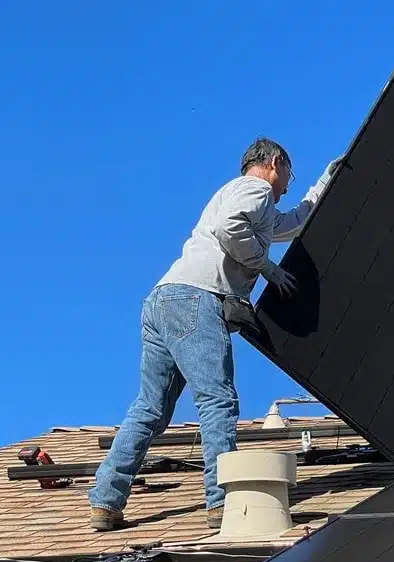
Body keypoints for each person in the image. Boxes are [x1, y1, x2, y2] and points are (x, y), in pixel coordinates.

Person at [89, 138, 342, 532]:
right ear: (275, 162)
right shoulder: (255, 189)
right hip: (196, 298)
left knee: (149, 409)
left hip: (163, 299)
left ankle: (106, 500)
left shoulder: (242, 197)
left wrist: (324, 183)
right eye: (290, 174)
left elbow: (291, 224)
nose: (290, 183)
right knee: (217, 399)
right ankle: (221, 502)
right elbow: (230, 229)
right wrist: (267, 268)